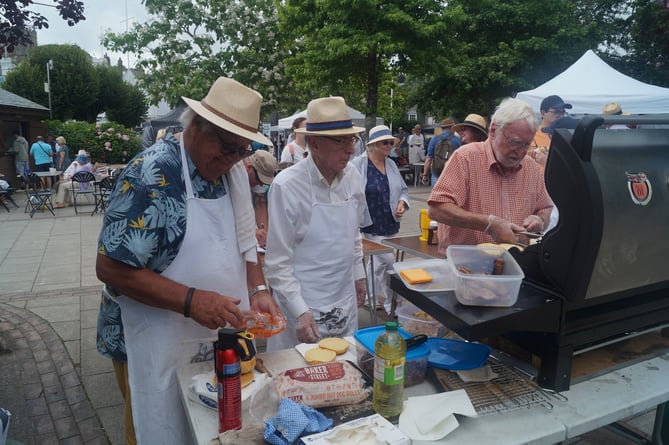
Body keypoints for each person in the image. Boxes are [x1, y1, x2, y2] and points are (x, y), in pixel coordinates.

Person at [95, 77, 282, 444]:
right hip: (150, 339)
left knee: (209, 429)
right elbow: (111, 269)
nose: (232, 159)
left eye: (242, 150)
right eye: (227, 147)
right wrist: (191, 300)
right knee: (159, 429)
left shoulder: (232, 173)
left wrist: (257, 287)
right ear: (195, 125)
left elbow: (246, 240)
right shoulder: (151, 175)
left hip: (210, 336)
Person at [264, 96, 368, 351]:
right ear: (314, 144)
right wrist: (299, 311)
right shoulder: (287, 185)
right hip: (303, 307)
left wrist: (359, 276)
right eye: (340, 141)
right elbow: (277, 262)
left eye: (351, 139)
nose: (351, 149)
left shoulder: (352, 176)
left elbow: (353, 233)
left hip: (343, 301)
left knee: (343, 375)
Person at [427, 98, 553, 256]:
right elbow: (437, 209)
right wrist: (488, 224)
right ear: (493, 131)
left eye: (526, 145)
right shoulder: (465, 158)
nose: (520, 152)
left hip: (515, 264)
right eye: (515, 142)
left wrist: (539, 219)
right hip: (467, 266)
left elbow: (545, 207)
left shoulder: (531, 167)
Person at [351, 125, 410, 314]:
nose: (390, 146)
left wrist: (402, 202)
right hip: (369, 221)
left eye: (391, 142)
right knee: (388, 260)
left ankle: (370, 297)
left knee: (376, 262)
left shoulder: (391, 164)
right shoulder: (358, 164)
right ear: (374, 144)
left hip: (389, 221)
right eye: (385, 142)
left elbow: (402, 189)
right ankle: (394, 302)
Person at [243, 149, 278, 248]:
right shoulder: (237, 172)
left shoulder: (254, 175)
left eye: (265, 182)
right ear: (249, 168)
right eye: (259, 179)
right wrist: (253, 231)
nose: (261, 184)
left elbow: (260, 204)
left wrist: (265, 238)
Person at [530, 95, 572, 167]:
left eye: (563, 112)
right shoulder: (531, 135)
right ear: (543, 113)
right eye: (556, 112)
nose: (560, 115)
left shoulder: (567, 135)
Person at [422, 118, 461, 186]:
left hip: (437, 174)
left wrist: (425, 174)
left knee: (436, 196)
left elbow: (428, 159)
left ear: (442, 128)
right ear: (452, 128)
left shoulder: (434, 140)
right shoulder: (458, 140)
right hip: (452, 175)